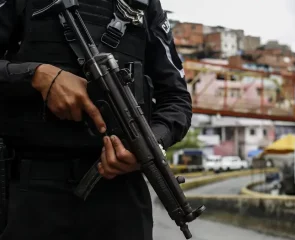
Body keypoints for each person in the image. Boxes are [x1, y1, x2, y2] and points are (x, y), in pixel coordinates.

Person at [0, 0, 192, 239]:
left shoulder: (144, 4)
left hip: (121, 196)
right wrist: (36, 76)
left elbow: (176, 99)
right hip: (31, 190)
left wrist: (149, 143)